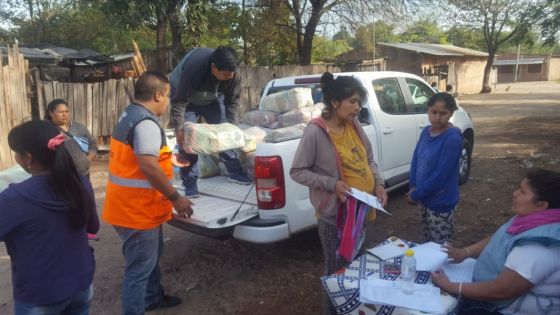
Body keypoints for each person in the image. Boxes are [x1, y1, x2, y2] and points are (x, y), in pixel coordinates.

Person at [290, 72, 388, 315]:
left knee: (357, 265)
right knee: (336, 271)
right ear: (335, 102)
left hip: (364, 211)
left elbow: (369, 159)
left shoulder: (354, 125)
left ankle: (351, 309)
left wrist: (379, 184)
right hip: (336, 218)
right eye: (352, 101)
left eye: (359, 102)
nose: (358, 107)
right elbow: (297, 171)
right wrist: (332, 184)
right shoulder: (316, 132)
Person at [102, 71, 194, 314]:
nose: (168, 102)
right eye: (168, 97)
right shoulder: (146, 122)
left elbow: (139, 159)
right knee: (139, 269)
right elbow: (147, 166)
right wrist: (176, 198)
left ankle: (153, 297)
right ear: (157, 95)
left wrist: (168, 160)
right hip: (137, 211)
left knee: (150, 257)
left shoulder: (129, 114)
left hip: (129, 206)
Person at [0, 120, 99, 315]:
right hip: (81, 284)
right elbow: (93, 227)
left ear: (28, 157)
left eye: (16, 153)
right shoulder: (80, 182)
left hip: (41, 295)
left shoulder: (14, 198)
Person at [431, 169, 560, 315]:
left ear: (541, 205)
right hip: (484, 281)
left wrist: (450, 286)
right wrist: (466, 252)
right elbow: (501, 237)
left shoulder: (539, 247)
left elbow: (502, 290)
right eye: (518, 188)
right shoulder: (532, 219)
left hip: (503, 309)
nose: (515, 193)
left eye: (522, 192)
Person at [170, 46, 251, 197]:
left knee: (224, 134)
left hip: (211, 99)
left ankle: (235, 172)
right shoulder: (194, 70)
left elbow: (232, 102)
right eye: (225, 74)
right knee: (189, 140)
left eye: (231, 74)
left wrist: (231, 129)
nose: (229, 77)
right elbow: (179, 102)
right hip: (185, 100)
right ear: (213, 67)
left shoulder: (233, 74)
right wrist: (179, 129)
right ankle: (189, 183)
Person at [407, 92, 463, 244]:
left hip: (441, 202)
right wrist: (412, 185)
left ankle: (440, 269)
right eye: (434, 112)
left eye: (443, 113)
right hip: (425, 198)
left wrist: (416, 194)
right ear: (428, 110)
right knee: (427, 241)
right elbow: (416, 157)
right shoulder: (426, 131)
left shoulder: (452, 139)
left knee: (439, 247)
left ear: (451, 113)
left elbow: (440, 176)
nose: (437, 117)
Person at [45, 98, 97, 178]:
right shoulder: (47, 130)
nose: (64, 115)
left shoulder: (79, 127)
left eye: (66, 111)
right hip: (60, 177)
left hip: (83, 174)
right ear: (51, 113)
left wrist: (89, 159)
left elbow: (92, 144)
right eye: (60, 112)